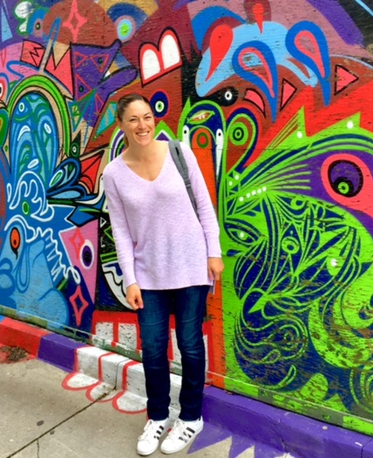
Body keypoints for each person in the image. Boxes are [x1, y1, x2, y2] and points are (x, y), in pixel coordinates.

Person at [102, 93, 224, 456]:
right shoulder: (114, 173)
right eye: (133, 120)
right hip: (149, 275)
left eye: (147, 117)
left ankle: (190, 418)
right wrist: (130, 278)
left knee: (189, 345)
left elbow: (203, 203)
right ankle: (157, 416)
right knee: (154, 350)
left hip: (191, 268)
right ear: (121, 126)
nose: (143, 125)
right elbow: (120, 230)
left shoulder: (179, 153)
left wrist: (213, 253)